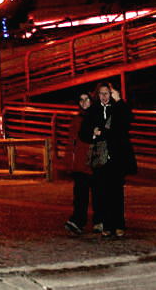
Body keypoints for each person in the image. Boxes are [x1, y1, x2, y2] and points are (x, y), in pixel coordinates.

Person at [81, 81, 136, 237]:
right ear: (97, 95)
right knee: (102, 192)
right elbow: (83, 132)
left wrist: (119, 101)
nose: (104, 97)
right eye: (101, 94)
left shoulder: (117, 108)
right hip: (100, 156)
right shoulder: (94, 110)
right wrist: (93, 133)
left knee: (117, 192)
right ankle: (106, 224)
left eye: (107, 93)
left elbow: (128, 120)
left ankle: (119, 224)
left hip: (116, 156)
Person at [64, 91, 98, 235]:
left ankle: (99, 221)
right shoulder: (77, 119)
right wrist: (69, 162)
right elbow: (71, 143)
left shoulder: (96, 117)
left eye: (87, 99)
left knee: (97, 194)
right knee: (80, 194)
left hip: (92, 161)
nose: (84, 103)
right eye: (81, 100)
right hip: (79, 163)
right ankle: (77, 220)